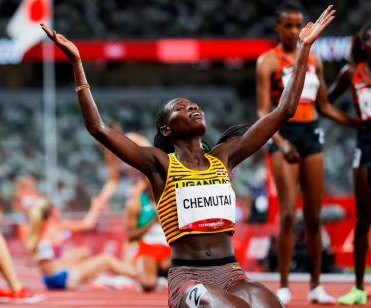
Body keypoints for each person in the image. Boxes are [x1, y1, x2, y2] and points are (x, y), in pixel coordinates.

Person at [41, 4, 334, 306]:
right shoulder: (159, 164)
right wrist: (77, 63)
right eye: (181, 107)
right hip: (189, 277)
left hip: (232, 274)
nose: (193, 107)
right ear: (166, 130)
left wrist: (303, 49)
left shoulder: (224, 157)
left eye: (194, 104)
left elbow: (284, 110)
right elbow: (99, 129)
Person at [255, 2, 356, 304]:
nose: (295, 30)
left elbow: (324, 106)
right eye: (288, 25)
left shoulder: (315, 60)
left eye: (299, 24)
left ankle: (315, 286)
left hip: (312, 134)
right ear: (278, 28)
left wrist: (357, 124)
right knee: (287, 213)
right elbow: (263, 110)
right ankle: (284, 285)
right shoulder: (267, 62)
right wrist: (281, 143)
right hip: (283, 135)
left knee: (313, 217)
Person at [328, 23, 371, 305]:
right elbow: (324, 102)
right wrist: (350, 122)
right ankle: (358, 287)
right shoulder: (351, 72)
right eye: (369, 39)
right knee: (363, 219)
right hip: (365, 144)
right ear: (361, 43)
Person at [26, 197, 137, 290]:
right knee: (106, 258)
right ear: (53, 212)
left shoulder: (37, 229)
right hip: (62, 279)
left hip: (48, 281)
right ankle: (138, 275)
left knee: (83, 252)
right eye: (57, 208)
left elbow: (38, 259)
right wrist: (95, 208)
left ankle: (102, 279)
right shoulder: (58, 225)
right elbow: (87, 224)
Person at [123, 133, 171, 292]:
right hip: (148, 248)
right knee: (147, 284)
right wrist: (152, 221)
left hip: (170, 249)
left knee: (183, 272)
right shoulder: (137, 202)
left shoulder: (170, 197)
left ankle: (164, 274)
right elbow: (130, 236)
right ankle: (156, 276)